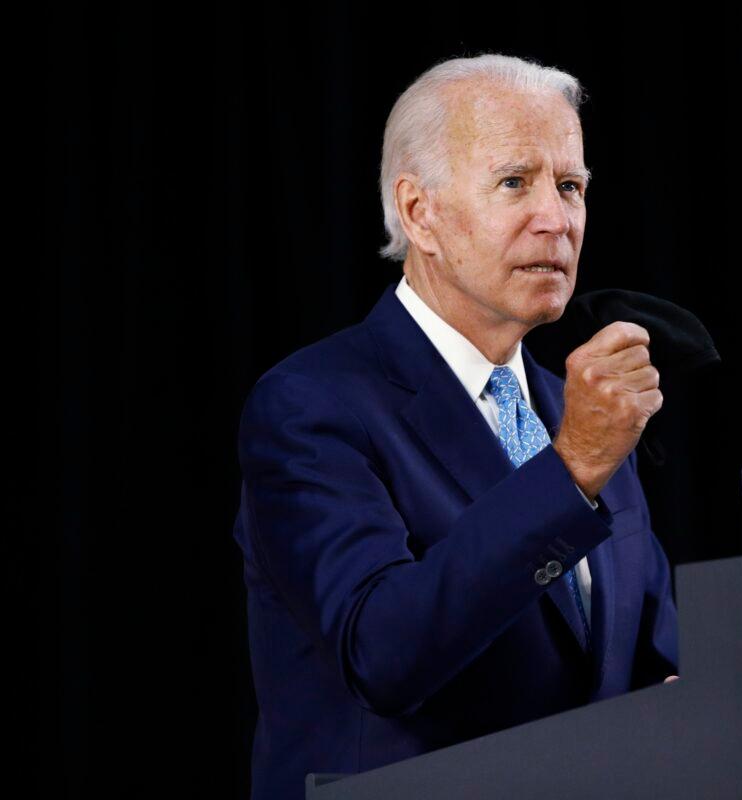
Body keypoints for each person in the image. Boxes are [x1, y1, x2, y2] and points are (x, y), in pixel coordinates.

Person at [232, 53, 679, 799]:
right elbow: (384, 650)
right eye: (515, 183)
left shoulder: (578, 412)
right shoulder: (312, 405)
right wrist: (569, 470)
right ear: (419, 213)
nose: (556, 218)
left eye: (571, 186)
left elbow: (646, 654)